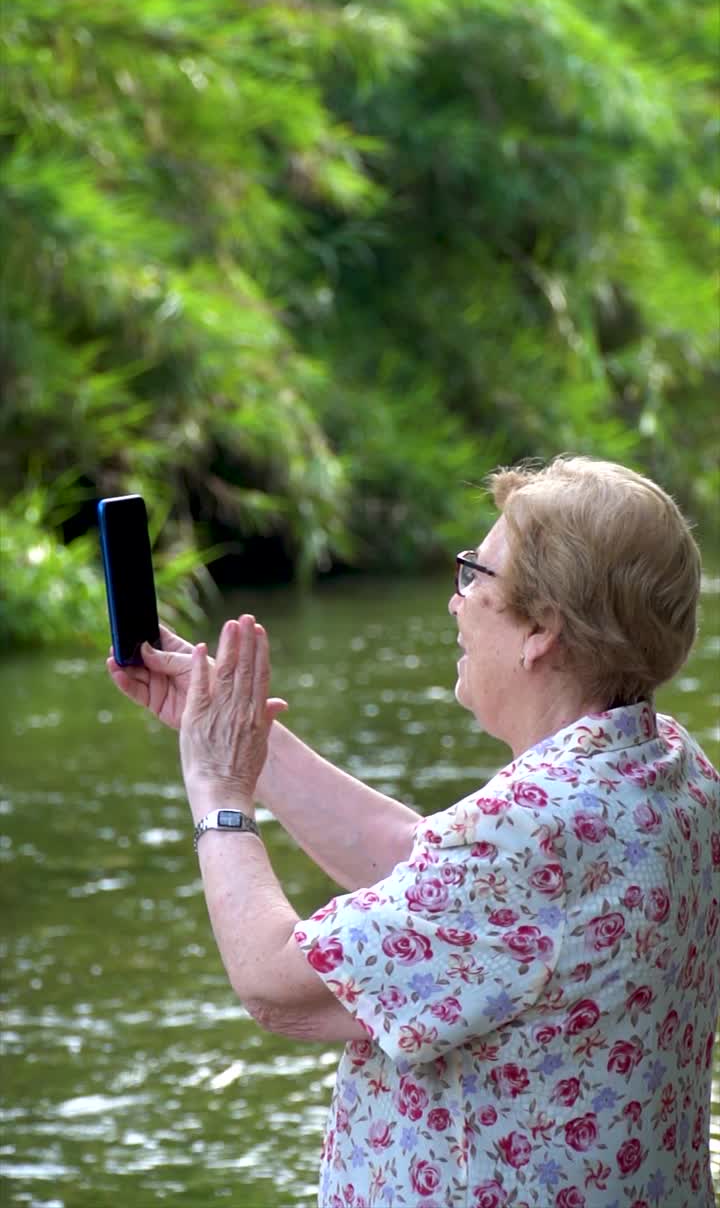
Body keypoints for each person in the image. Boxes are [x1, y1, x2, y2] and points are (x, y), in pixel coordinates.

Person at [108, 455, 719, 1208]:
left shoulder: (527, 836)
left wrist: (218, 787)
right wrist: (235, 735)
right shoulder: (668, 768)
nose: (456, 603)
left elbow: (274, 985)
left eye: (476, 576)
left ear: (543, 631)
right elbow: (428, 873)